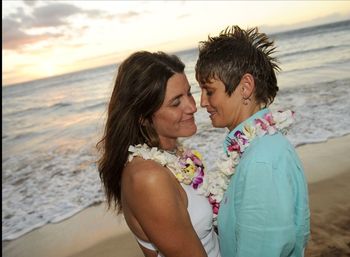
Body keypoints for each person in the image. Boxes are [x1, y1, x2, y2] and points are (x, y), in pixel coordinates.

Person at [195, 25, 310, 257]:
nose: (202, 102)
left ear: (245, 87)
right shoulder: (254, 149)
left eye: (209, 91)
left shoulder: (262, 160)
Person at [97, 51, 220, 257]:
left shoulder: (174, 155)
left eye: (189, 93)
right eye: (175, 102)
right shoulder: (148, 177)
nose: (192, 106)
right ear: (144, 118)